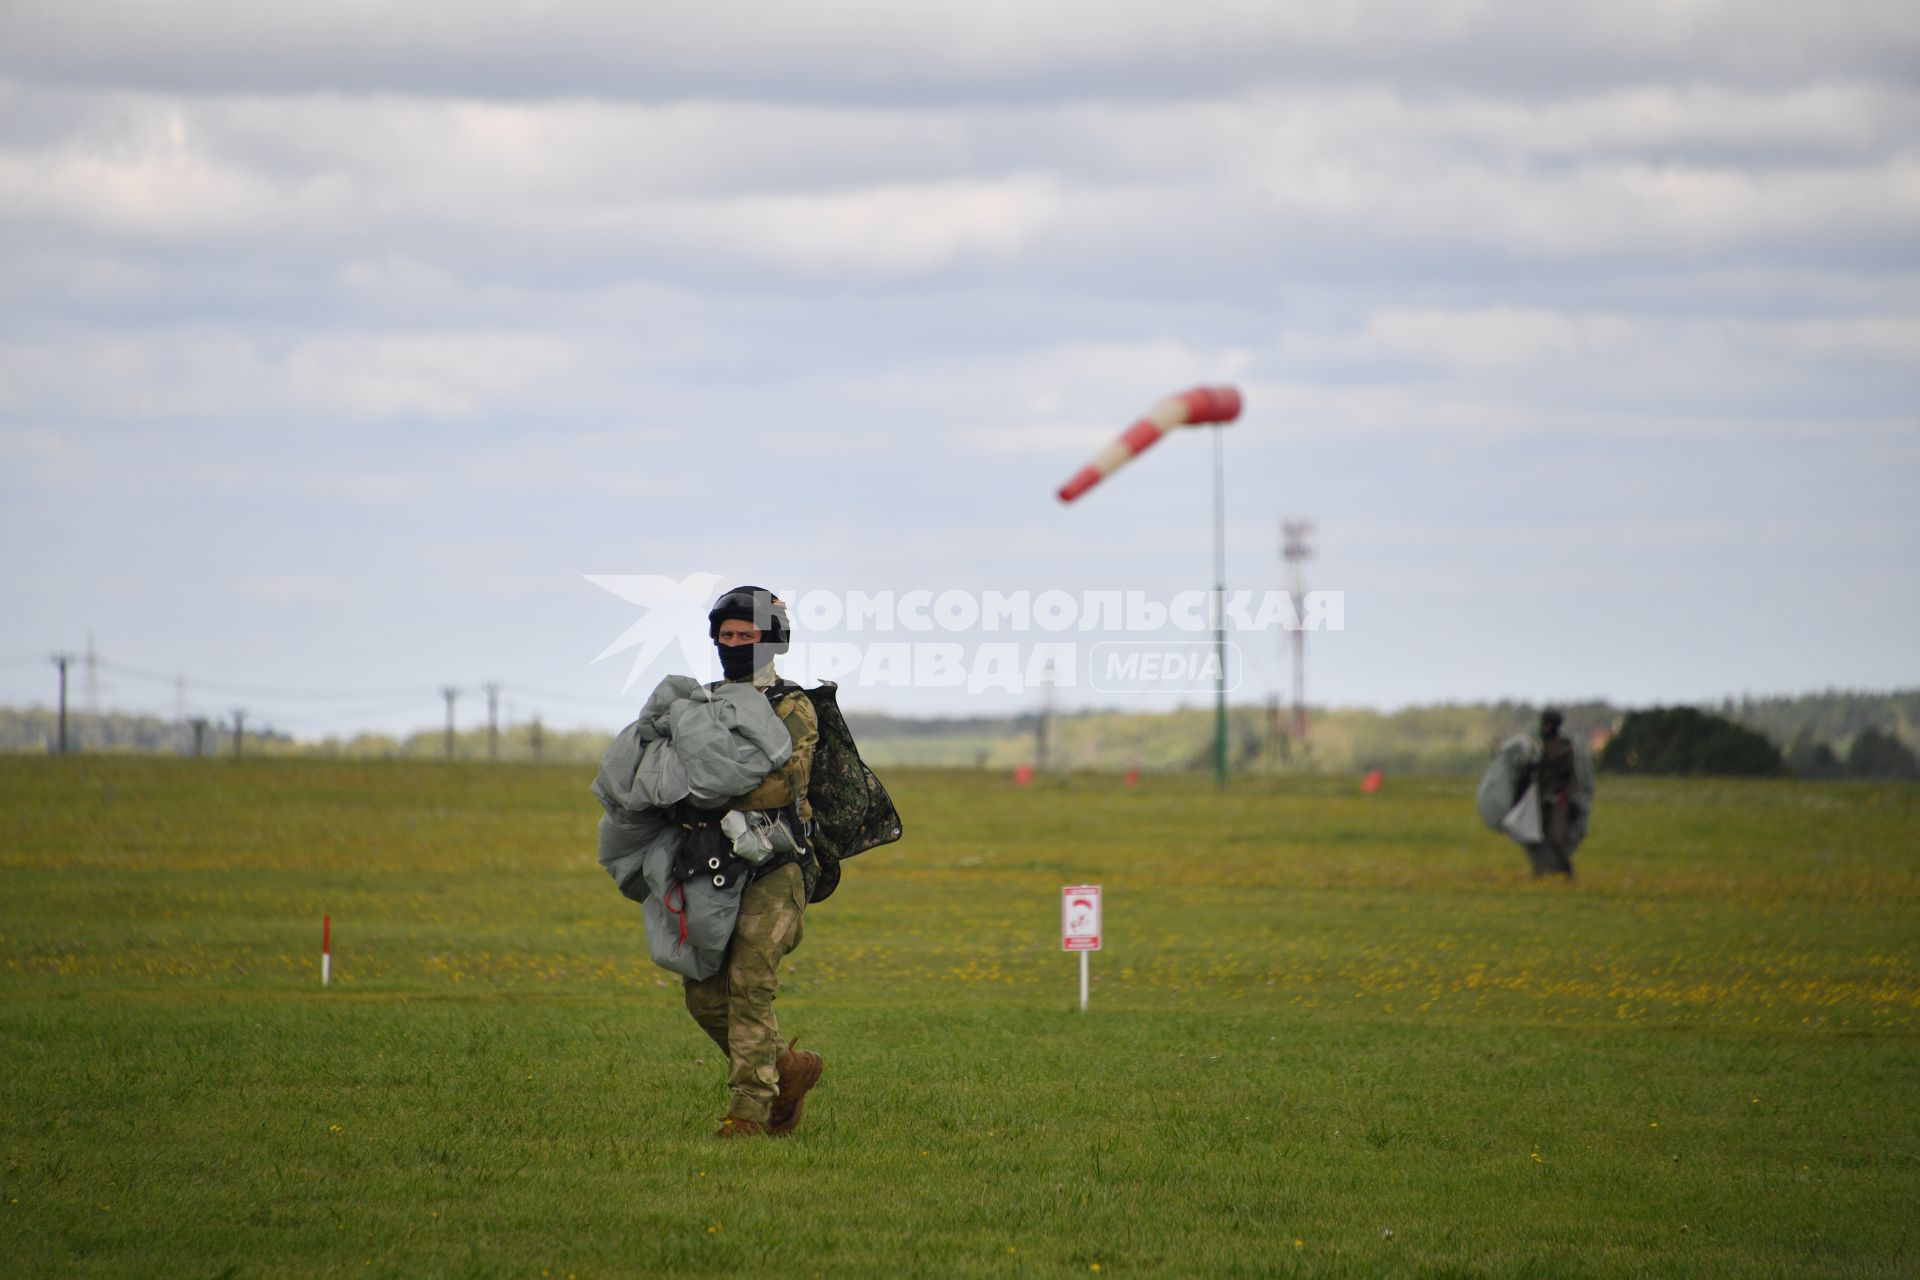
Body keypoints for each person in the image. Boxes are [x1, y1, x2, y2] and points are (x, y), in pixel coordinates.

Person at [685, 585, 825, 1139]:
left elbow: (783, 784)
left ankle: (748, 1114)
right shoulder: (701, 704)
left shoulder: (792, 705)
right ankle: (786, 1070)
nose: (736, 643)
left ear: (772, 640)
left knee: (749, 986)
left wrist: (703, 790)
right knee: (703, 995)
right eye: (728, 634)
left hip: (775, 865)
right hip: (708, 863)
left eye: (748, 635)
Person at [1529, 708, 1579, 879]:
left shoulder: (1565, 747)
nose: (1546, 727)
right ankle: (1539, 872)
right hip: (1541, 797)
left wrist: (1570, 797)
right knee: (1536, 837)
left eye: (1549, 724)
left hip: (1560, 798)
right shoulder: (1537, 745)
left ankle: (1568, 869)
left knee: (1556, 838)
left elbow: (1571, 775)